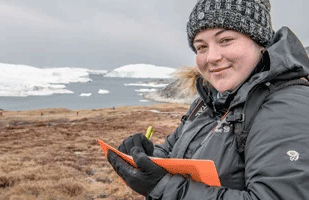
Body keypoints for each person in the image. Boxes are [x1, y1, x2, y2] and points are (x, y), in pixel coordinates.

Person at [107, 0, 309, 199]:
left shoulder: (287, 105)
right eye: (201, 47)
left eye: (225, 40)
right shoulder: (209, 100)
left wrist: (164, 188)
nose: (211, 57)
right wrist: (148, 157)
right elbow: (176, 153)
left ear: (260, 42)